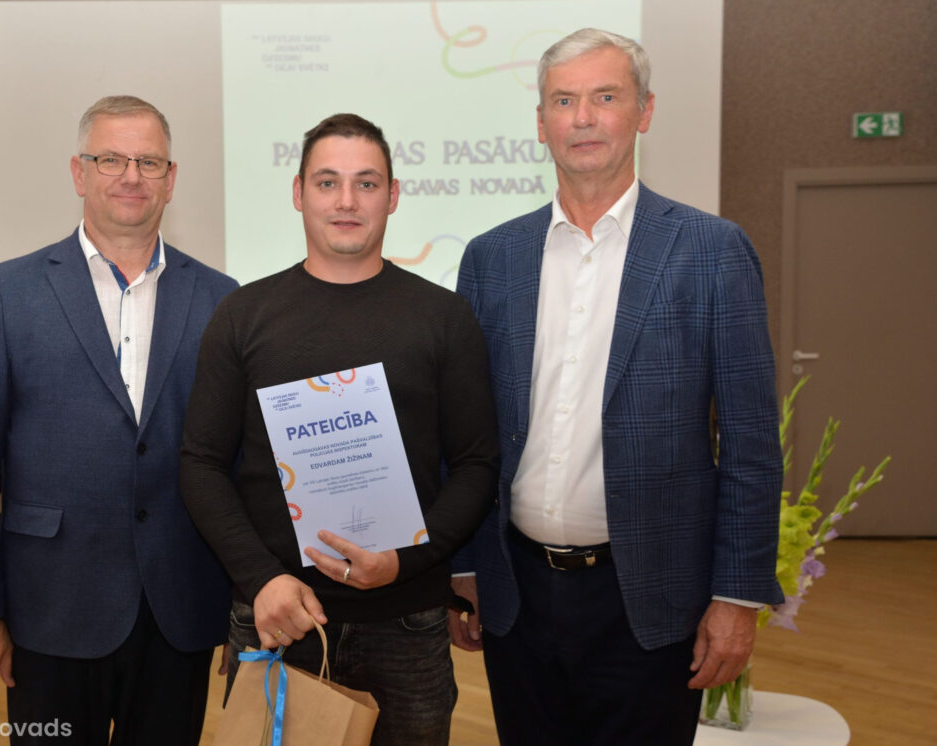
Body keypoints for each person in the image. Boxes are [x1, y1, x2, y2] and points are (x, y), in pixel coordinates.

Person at [450, 28, 784, 745]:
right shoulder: (490, 258)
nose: (583, 118)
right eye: (563, 101)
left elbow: (752, 442)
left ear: (645, 111)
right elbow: (469, 434)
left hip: (653, 598)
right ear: (540, 123)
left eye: (605, 97)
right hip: (517, 595)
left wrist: (736, 597)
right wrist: (466, 566)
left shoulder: (712, 252)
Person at [179, 113, 498, 746]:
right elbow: (201, 463)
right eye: (327, 183)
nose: (346, 201)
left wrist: (406, 560)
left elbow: (476, 464)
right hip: (276, 616)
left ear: (393, 195)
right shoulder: (243, 315)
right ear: (299, 194)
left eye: (366, 183)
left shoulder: (444, 317)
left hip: (407, 621)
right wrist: (261, 579)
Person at [0, 95, 238, 745]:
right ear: (79, 173)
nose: (131, 176)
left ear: (171, 179)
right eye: (111, 160)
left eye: (149, 162)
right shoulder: (5, 294)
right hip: (48, 613)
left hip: (179, 613)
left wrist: (242, 604)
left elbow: (239, 466)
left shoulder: (223, 300)